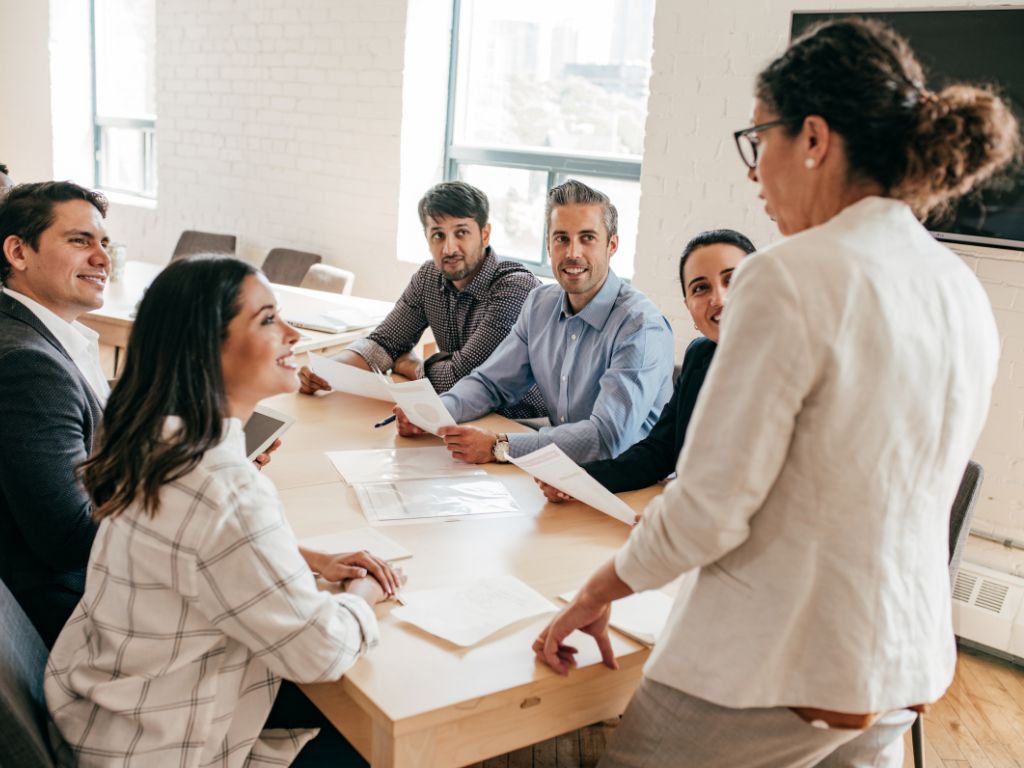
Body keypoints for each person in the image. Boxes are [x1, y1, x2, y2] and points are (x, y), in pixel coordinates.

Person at [534, 18, 1019, 768]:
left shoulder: (788, 276)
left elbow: (708, 507)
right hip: (897, 671)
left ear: (814, 139)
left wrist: (596, 591)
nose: (755, 174)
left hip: (767, 669)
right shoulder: (958, 287)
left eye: (761, 140)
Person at [45, 257, 402, 767]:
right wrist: (364, 593)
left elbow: (195, 548)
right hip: (157, 748)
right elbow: (320, 651)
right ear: (207, 349)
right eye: (267, 320)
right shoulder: (222, 487)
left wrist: (306, 559)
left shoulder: (158, 439)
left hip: (102, 720)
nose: (292, 332)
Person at [398, 179, 675, 465]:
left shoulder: (640, 327)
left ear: (612, 245)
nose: (572, 253)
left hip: (633, 484)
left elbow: (607, 437)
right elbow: (490, 383)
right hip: (563, 472)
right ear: (549, 245)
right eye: (562, 238)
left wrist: (500, 446)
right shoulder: (540, 303)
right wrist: (432, 413)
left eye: (587, 238)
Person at [538, 229, 755, 503]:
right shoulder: (701, 355)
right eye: (700, 288)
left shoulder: (796, 363)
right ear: (688, 306)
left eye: (732, 280)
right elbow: (659, 451)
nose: (719, 299)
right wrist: (580, 480)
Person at [298, 181, 546, 418]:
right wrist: (325, 370)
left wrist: (413, 366)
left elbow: (463, 379)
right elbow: (383, 343)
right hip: (460, 413)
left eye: (461, 233)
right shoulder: (429, 277)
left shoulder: (514, 287)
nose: (449, 248)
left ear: (485, 233)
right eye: (438, 235)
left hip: (522, 422)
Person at [0, 181, 111, 648]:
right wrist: (194, 496)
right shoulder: (29, 367)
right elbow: (70, 538)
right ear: (18, 253)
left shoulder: (40, 333)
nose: (104, 258)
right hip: (69, 611)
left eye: (105, 243)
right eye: (80, 240)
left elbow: (86, 420)